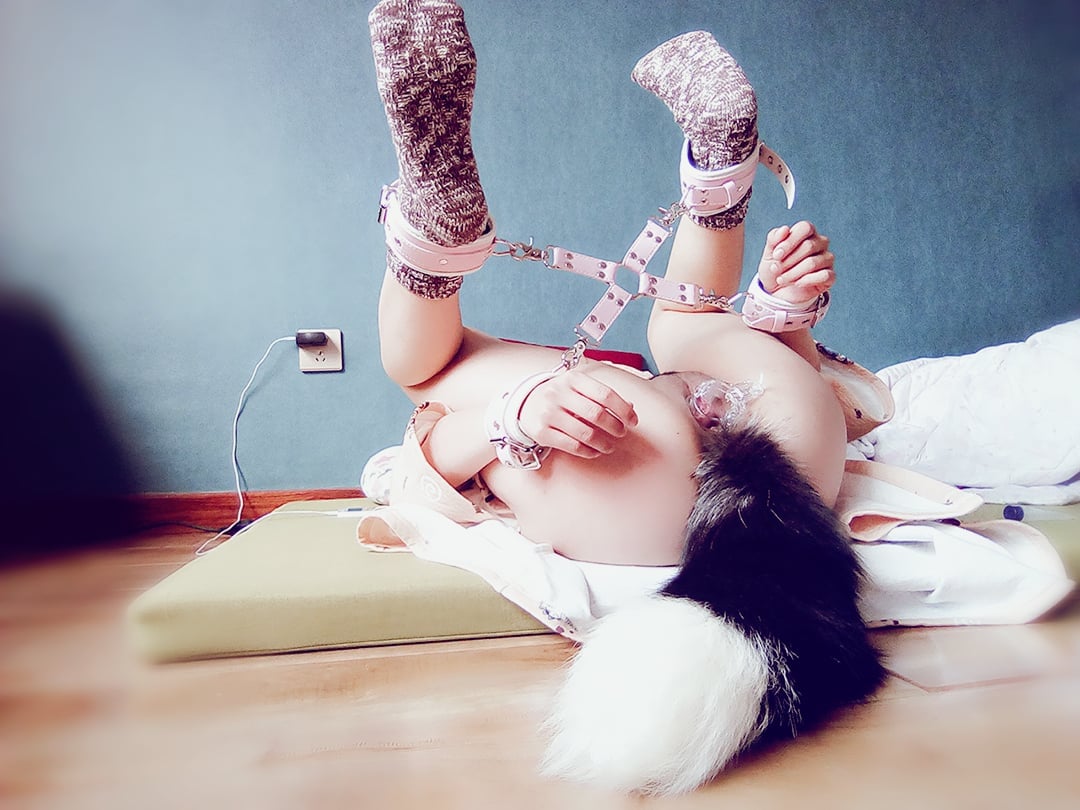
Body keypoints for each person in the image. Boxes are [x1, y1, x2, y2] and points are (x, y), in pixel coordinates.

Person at [367, 0, 884, 796]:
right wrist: (784, 323)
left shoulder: (564, 394)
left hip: (708, 447)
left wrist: (513, 415)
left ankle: (437, 231)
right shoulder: (604, 388)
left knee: (430, 370)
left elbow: (427, 467)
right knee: (674, 323)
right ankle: (717, 172)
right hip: (780, 430)